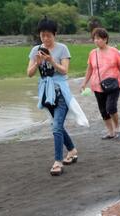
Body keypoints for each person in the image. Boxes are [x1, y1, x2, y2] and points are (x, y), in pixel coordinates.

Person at [26, 17, 79, 176]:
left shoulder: (63, 48)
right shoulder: (36, 50)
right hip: (45, 93)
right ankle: (72, 150)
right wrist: (37, 62)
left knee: (56, 126)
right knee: (57, 125)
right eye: (43, 35)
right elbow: (29, 73)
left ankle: (58, 161)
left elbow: (64, 71)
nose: (46, 39)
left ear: (55, 34)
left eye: (49, 35)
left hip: (60, 91)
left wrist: (51, 61)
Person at [81, 28, 120, 141]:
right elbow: (89, 70)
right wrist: (84, 83)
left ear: (105, 39)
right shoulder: (92, 53)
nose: (96, 41)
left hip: (113, 85)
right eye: (94, 39)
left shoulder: (114, 52)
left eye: (99, 38)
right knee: (103, 110)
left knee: (111, 107)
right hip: (97, 86)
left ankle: (117, 126)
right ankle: (110, 132)